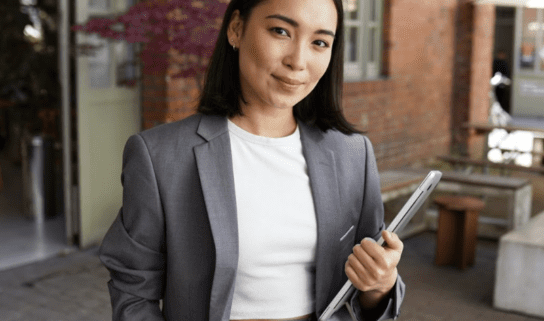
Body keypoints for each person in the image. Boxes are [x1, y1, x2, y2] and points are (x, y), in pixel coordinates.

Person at [98, 0, 405, 320]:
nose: (298, 61)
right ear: (236, 29)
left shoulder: (353, 155)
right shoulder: (160, 156)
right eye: (281, 31)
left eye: (319, 42)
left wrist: (381, 284)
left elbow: (366, 295)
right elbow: (133, 292)